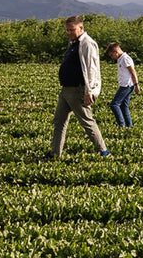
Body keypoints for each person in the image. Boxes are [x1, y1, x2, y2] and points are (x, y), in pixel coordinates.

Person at [44, 15, 110, 159]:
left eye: (72, 30)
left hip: (78, 90)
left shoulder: (87, 43)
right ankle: (55, 154)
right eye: (67, 30)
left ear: (81, 28)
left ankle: (104, 152)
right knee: (59, 121)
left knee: (87, 122)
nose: (69, 33)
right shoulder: (73, 42)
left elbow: (91, 69)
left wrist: (90, 92)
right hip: (66, 90)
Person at [105, 42, 141, 128]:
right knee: (123, 106)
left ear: (116, 52)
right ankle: (129, 126)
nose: (112, 57)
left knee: (114, 104)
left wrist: (136, 85)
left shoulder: (125, 58)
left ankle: (121, 125)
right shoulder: (120, 59)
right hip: (125, 85)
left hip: (127, 86)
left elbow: (133, 72)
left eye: (111, 55)